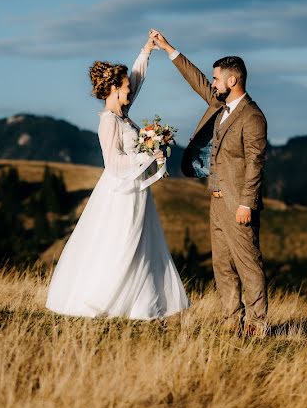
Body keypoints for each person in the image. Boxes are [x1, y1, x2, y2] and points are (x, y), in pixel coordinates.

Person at [44, 36, 189, 320]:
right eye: (125, 88)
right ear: (113, 89)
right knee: (122, 244)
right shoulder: (108, 121)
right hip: (121, 192)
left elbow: (137, 78)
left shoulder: (123, 115)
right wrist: (146, 155)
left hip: (136, 191)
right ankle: (103, 300)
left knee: (141, 247)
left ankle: (142, 306)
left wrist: (147, 51)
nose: (130, 91)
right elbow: (113, 164)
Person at [149, 29, 269, 337]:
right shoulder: (219, 105)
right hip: (216, 200)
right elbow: (197, 80)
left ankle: (257, 325)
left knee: (248, 264)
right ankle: (232, 322)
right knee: (222, 266)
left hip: (238, 204)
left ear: (233, 80)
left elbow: (255, 163)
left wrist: (247, 203)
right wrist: (167, 48)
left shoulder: (253, 117)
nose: (212, 84)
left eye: (217, 79)